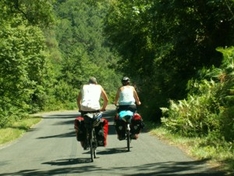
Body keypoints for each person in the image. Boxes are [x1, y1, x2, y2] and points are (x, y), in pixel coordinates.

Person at [75, 77, 109, 149]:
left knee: (83, 123)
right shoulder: (99, 87)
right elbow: (106, 100)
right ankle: (100, 139)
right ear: (96, 82)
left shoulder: (84, 87)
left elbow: (78, 100)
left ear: (88, 83)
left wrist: (80, 108)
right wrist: (103, 108)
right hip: (96, 109)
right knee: (99, 123)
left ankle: (84, 141)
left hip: (84, 109)